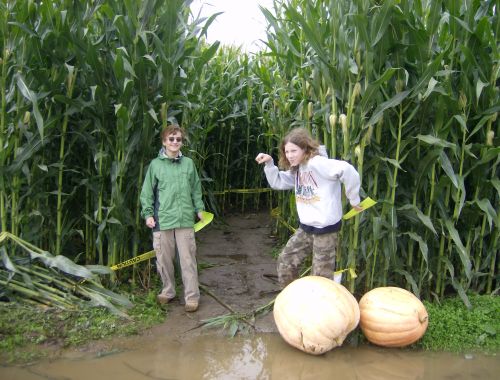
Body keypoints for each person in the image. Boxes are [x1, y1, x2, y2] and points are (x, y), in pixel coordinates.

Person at [255, 127, 363, 288]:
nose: (290, 155)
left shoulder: (318, 163)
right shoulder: (298, 168)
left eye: (294, 151)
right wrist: (270, 164)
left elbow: (347, 170)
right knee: (286, 261)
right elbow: (278, 182)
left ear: (305, 149)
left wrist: (354, 198)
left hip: (325, 229)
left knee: (321, 277)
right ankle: (294, 299)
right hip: (306, 228)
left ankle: (319, 309)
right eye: (287, 151)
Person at [140, 124, 204, 312]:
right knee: (164, 260)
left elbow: (195, 189)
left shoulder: (189, 164)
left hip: (185, 219)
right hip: (162, 220)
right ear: (164, 142)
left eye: (178, 139)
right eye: (171, 139)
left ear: (182, 143)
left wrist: (199, 209)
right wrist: (148, 214)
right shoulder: (155, 165)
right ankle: (168, 292)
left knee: (187, 260)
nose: (175, 142)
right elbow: (147, 193)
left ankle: (192, 297)